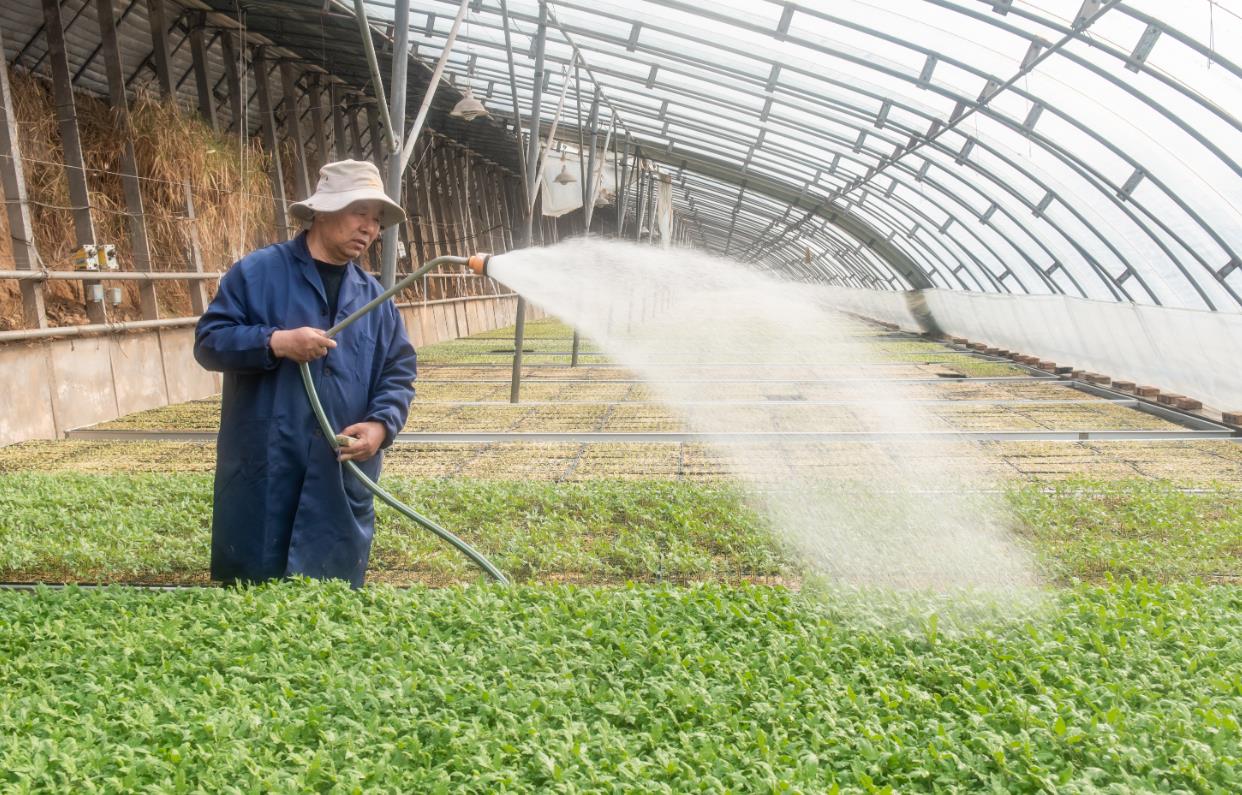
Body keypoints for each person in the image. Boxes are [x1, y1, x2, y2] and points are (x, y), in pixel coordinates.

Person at [194, 160, 417, 588]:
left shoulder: (376, 298)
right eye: (359, 212)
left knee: (329, 612)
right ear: (322, 211)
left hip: (339, 474)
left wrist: (379, 426)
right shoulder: (258, 274)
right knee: (253, 603)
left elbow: (398, 371)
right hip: (266, 465)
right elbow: (209, 342)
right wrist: (276, 342)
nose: (369, 228)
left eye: (376, 219)